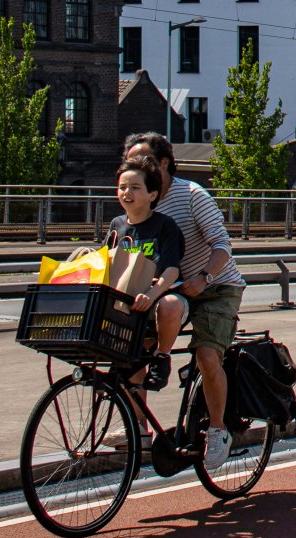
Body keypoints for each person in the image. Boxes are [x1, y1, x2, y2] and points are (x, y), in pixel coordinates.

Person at [122, 132, 246, 468]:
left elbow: (222, 245)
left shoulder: (192, 195)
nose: (135, 171)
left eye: (143, 162)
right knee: (132, 350)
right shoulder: (140, 199)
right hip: (169, 291)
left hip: (216, 287)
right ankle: (138, 432)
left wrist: (203, 277)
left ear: (163, 163)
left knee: (207, 354)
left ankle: (218, 431)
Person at [99, 156, 187, 450]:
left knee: (170, 305)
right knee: (129, 362)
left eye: (135, 187)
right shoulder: (116, 226)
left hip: (161, 299)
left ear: (152, 195)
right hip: (130, 306)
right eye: (122, 187)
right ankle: (137, 428)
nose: (127, 193)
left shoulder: (164, 226)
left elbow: (172, 269)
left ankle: (163, 356)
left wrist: (153, 293)